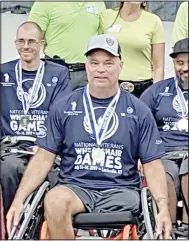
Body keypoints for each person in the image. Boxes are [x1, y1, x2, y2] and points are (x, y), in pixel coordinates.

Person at [6, 34, 172, 239]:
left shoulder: (139, 110)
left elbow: (152, 164)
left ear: (121, 64)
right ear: (86, 66)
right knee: (54, 200)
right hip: (76, 188)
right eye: (94, 63)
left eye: (108, 63)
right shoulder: (64, 107)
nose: (101, 69)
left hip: (121, 191)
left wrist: (163, 207)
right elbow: (43, 158)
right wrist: (19, 200)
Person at [0, 21, 71, 214]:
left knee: (55, 174)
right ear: (15, 43)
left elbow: (60, 115)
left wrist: (49, 144)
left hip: (45, 147)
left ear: (42, 44)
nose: (26, 46)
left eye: (32, 41)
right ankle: (11, 224)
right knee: (8, 168)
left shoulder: (59, 73)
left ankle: (44, 225)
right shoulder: (3, 72)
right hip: (12, 147)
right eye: (21, 41)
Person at [140, 38, 188, 234]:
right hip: (164, 151)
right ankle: (168, 231)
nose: (184, 68)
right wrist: (139, 155)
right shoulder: (157, 91)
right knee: (163, 173)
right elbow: (138, 124)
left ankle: (186, 226)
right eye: (179, 63)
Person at [28, 2, 106, 91]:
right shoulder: (44, 3)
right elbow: (31, 39)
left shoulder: (99, 3)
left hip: (87, 74)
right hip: (54, 71)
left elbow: (102, 39)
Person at [99, 1, 165, 98]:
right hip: (110, 86)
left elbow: (158, 66)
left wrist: (155, 93)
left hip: (143, 90)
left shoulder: (154, 21)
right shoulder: (106, 16)